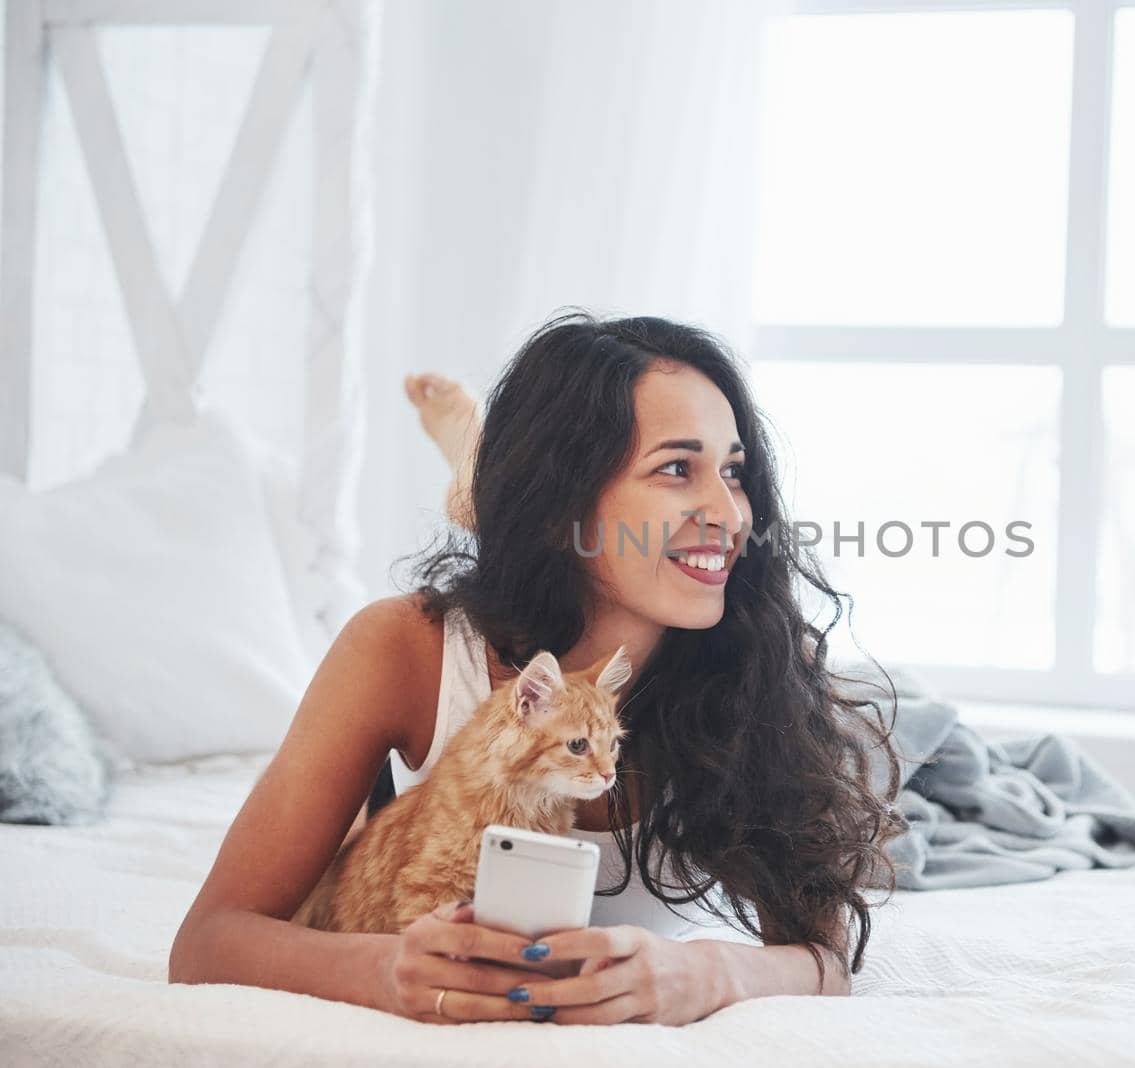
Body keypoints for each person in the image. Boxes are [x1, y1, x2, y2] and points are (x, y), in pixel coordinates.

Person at [168, 309, 902, 1026]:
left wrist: (703, 972)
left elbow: (825, 960)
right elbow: (208, 941)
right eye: (678, 468)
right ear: (566, 502)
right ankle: (476, 470)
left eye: (734, 472)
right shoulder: (403, 648)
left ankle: (474, 468)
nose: (732, 513)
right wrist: (387, 971)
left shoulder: (761, 662)